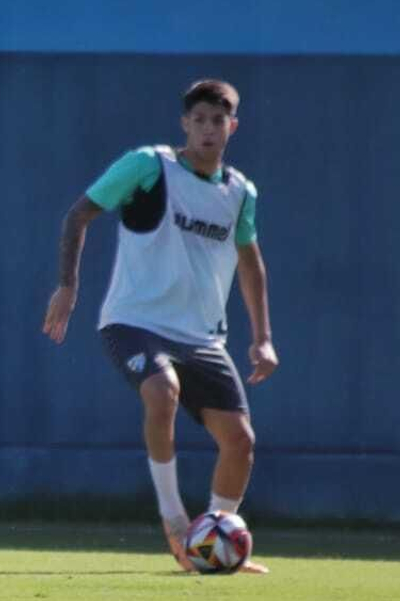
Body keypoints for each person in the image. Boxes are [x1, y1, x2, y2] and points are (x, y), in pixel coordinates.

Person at [42, 79, 276, 573]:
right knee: (161, 390)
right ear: (184, 124)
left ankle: (211, 541)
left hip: (202, 337)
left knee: (241, 441)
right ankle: (175, 524)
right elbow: (78, 215)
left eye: (219, 120)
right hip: (134, 321)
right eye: (200, 120)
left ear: (232, 127)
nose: (209, 129)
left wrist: (262, 339)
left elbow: (250, 261)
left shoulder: (239, 193)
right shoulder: (150, 167)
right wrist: (68, 285)